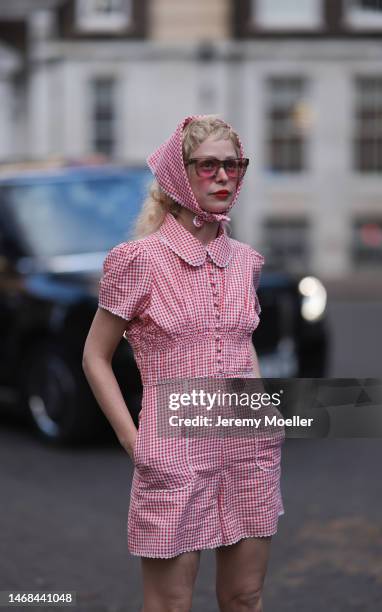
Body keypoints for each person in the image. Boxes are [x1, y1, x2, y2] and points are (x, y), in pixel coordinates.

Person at [82, 115, 285, 611]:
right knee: (171, 605)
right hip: (173, 450)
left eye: (232, 165)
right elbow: (95, 356)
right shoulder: (138, 260)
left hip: (246, 450)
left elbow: (241, 342)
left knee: (245, 596)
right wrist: (136, 443)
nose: (223, 176)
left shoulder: (246, 261)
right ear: (179, 173)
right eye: (208, 165)